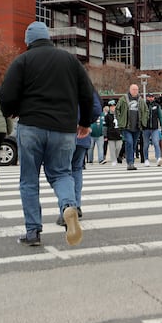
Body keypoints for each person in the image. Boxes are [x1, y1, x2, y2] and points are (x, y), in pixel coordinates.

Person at [0, 21, 94, 247]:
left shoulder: (22, 60)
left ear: (28, 41)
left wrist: (11, 112)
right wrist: (85, 122)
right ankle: (68, 206)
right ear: (48, 38)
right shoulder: (70, 60)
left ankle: (33, 232)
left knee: (29, 180)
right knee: (62, 174)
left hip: (31, 126)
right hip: (64, 129)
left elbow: (5, 95)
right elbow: (87, 94)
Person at [58, 92, 102, 226]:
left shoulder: (62, 83)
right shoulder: (86, 86)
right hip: (83, 135)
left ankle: (67, 207)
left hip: (65, 133)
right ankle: (77, 205)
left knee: (63, 173)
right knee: (77, 170)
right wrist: (85, 122)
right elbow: (96, 108)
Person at [114, 83, 147, 171]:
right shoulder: (123, 99)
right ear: (130, 90)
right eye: (133, 89)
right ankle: (130, 163)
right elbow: (117, 110)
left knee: (133, 145)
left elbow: (146, 111)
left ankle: (131, 161)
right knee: (129, 143)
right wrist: (120, 120)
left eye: (136, 89)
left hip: (137, 127)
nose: (135, 91)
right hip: (126, 127)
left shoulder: (141, 100)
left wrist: (144, 121)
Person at [142, 94, 162, 167]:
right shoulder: (144, 105)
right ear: (147, 97)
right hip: (145, 128)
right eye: (149, 97)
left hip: (155, 128)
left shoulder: (157, 106)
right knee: (146, 145)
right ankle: (146, 159)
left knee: (156, 143)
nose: (151, 98)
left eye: (152, 97)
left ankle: (158, 158)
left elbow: (160, 117)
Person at [104, 100, 122, 166]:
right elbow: (105, 126)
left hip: (118, 133)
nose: (112, 107)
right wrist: (105, 136)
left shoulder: (119, 114)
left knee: (118, 147)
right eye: (111, 106)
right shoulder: (107, 116)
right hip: (110, 134)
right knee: (112, 149)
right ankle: (113, 160)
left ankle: (117, 157)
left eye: (113, 106)